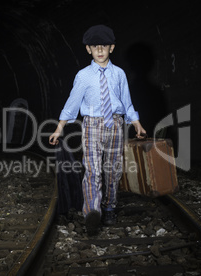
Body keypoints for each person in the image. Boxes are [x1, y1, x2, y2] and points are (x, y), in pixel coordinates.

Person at [49, 24, 146, 236]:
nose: (99, 50)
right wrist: (59, 129)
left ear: (111, 48)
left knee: (113, 170)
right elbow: (72, 104)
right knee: (92, 170)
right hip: (92, 125)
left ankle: (109, 207)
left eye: (104, 46)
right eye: (95, 46)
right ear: (88, 50)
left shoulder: (119, 74)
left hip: (116, 124)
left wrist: (136, 122)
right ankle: (92, 212)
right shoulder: (83, 76)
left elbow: (127, 102)